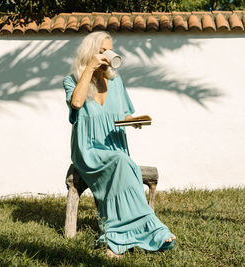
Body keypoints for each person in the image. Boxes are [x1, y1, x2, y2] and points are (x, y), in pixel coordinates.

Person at [63, 31, 176, 258]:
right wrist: (90, 68)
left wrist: (135, 121)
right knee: (124, 163)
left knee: (124, 164)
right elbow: (76, 103)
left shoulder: (116, 81)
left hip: (115, 148)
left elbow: (122, 116)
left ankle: (121, 237)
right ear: (90, 52)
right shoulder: (72, 80)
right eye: (102, 50)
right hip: (88, 150)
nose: (107, 55)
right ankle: (139, 231)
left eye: (109, 50)